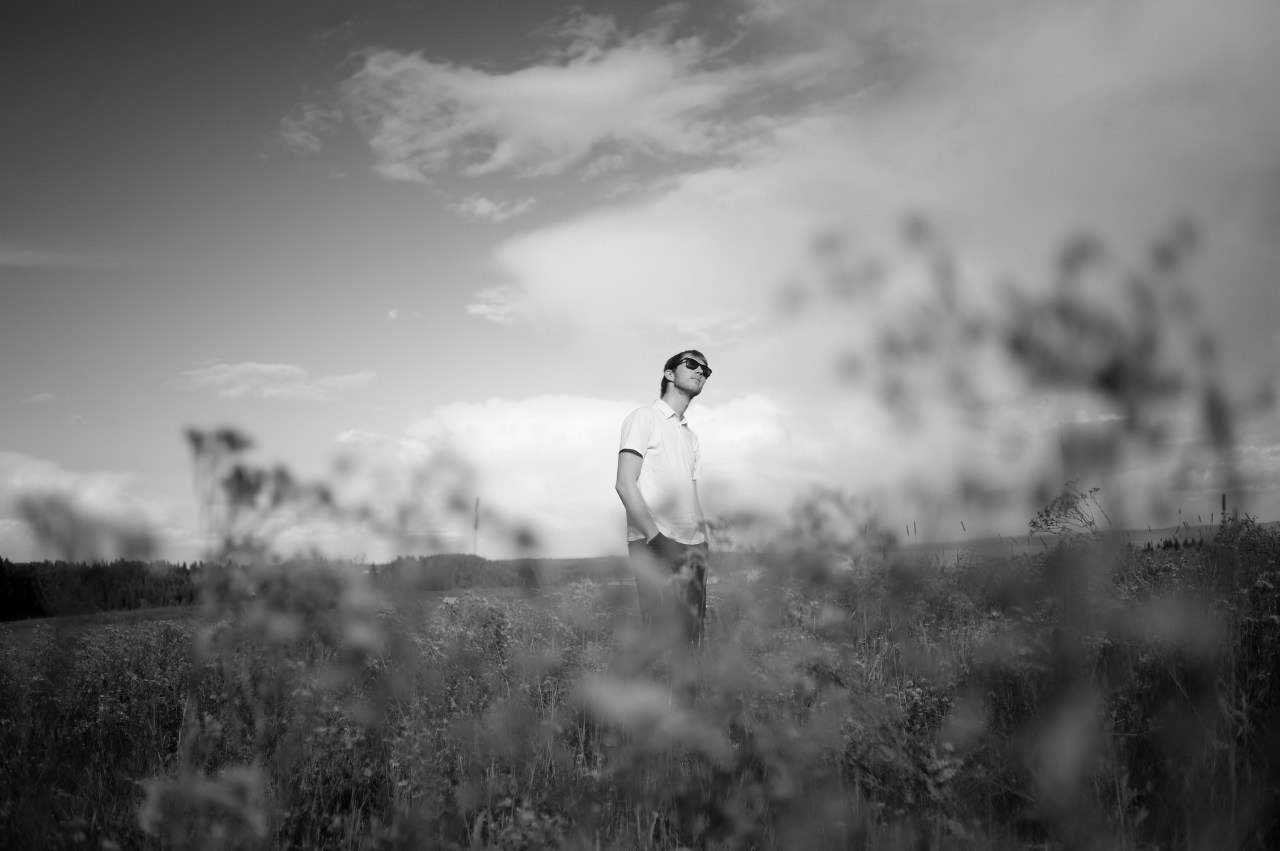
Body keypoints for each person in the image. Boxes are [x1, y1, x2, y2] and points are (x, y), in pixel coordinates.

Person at [615, 350, 712, 645]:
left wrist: (704, 541)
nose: (700, 372)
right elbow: (624, 483)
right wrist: (656, 539)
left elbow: (692, 494)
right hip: (655, 544)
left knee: (692, 644)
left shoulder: (691, 437)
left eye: (706, 370)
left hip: (694, 548)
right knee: (660, 643)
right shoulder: (644, 417)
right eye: (692, 364)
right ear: (669, 374)